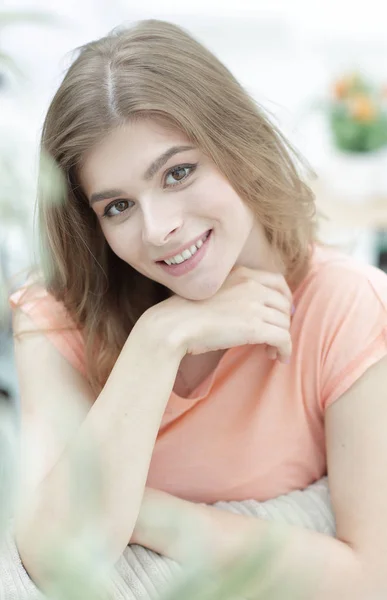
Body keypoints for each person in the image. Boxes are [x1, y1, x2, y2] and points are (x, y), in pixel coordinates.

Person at [9, 18, 387, 599]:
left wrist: (147, 513)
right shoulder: (58, 315)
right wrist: (159, 340)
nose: (159, 229)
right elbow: (60, 559)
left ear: (237, 145)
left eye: (178, 172)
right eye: (117, 207)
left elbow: (369, 578)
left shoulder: (346, 309)